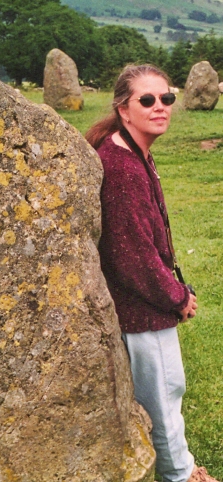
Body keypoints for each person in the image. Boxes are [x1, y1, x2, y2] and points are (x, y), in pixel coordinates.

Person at [85, 64, 219, 482]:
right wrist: (177, 296)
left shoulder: (133, 149)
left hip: (145, 302)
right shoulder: (122, 167)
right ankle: (179, 475)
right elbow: (132, 257)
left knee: (165, 392)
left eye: (166, 98)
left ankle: (179, 467)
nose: (160, 107)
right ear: (124, 109)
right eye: (147, 100)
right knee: (163, 396)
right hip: (140, 310)